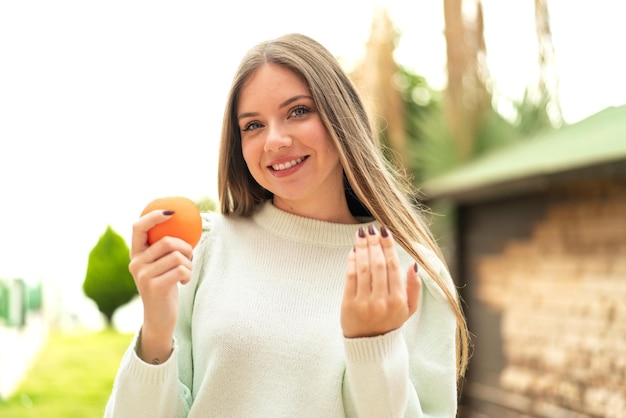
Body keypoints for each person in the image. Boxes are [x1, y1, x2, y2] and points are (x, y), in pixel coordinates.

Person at [105, 33, 470, 418]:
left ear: (339, 115)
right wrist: (156, 330)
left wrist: (373, 348)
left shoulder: (408, 271)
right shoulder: (206, 250)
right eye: (253, 126)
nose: (275, 141)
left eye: (297, 111)